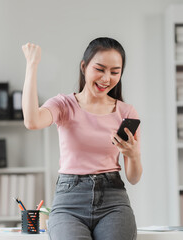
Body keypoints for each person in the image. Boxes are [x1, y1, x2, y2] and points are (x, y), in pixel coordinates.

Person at [21, 37, 142, 240]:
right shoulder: (63, 105)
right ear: (84, 66)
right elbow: (32, 121)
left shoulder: (126, 112)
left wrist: (134, 154)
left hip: (113, 200)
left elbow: (134, 178)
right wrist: (32, 65)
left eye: (114, 72)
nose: (106, 79)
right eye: (100, 69)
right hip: (69, 202)